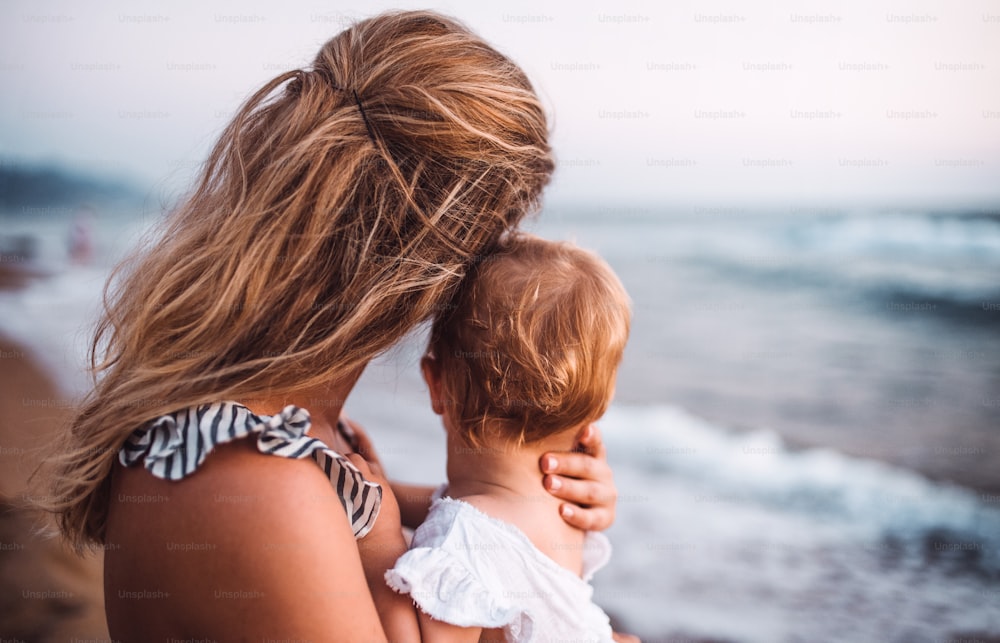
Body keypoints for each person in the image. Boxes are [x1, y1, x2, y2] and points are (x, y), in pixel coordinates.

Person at [36, 10, 622, 642]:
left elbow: (357, 521)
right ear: (431, 259)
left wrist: (531, 512)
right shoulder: (261, 488)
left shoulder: (286, 438)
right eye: (490, 244)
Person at [384, 234, 632, 642]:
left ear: (435, 384)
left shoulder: (457, 545)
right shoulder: (561, 503)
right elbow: (473, 514)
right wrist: (385, 496)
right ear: (595, 407)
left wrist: (374, 542)